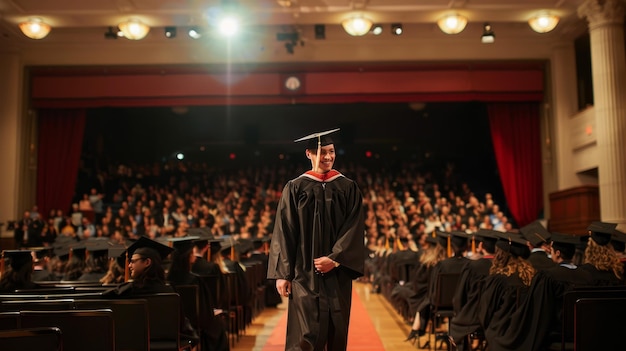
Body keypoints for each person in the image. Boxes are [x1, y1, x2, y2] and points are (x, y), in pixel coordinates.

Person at [267, 128, 365, 351]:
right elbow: (284, 231)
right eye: (323, 153)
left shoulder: (347, 188)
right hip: (304, 273)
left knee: (336, 330)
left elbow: (354, 228)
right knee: (305, 335)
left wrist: (336, 258)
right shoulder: (295, 188)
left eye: (331, 151)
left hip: (336, 274)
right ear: (309, 154)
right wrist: (282, 275)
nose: (328, 157)